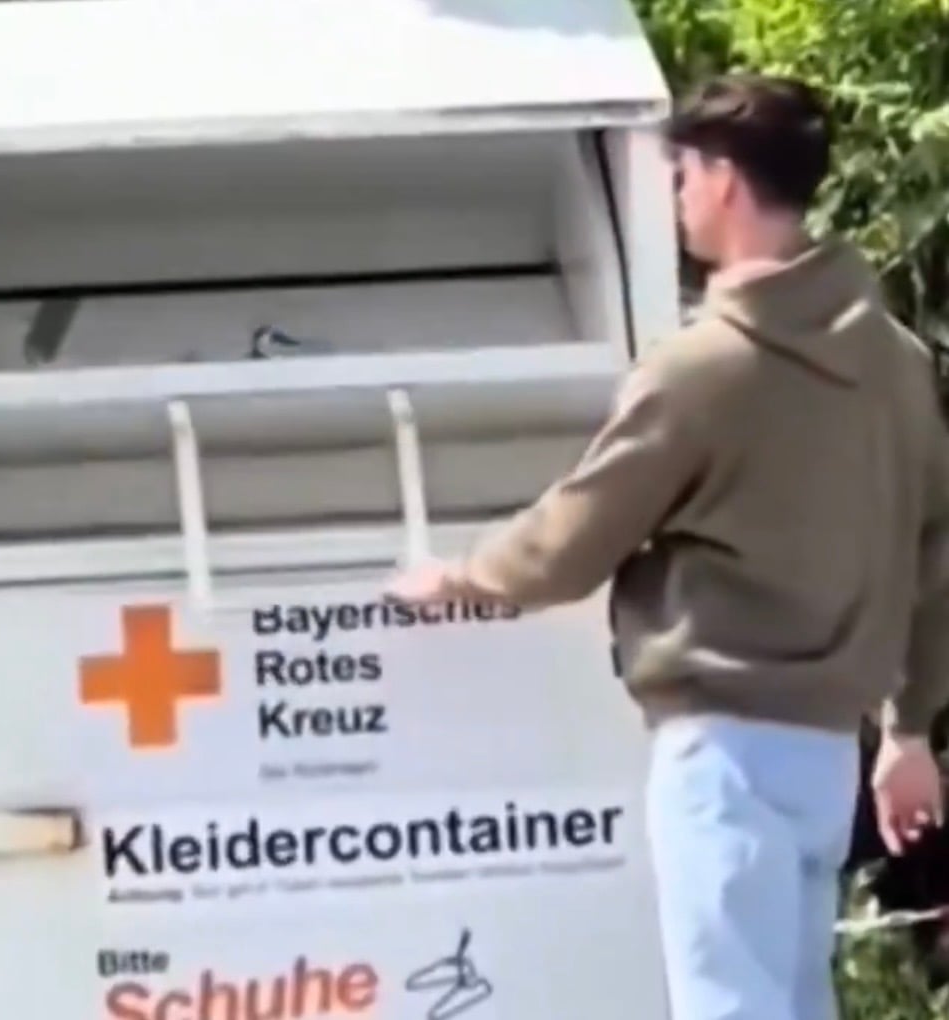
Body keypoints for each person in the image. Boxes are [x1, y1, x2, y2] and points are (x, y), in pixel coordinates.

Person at [385, 73, 949, 1020]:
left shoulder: (702, 368)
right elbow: (936, 555)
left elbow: (574, 536)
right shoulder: (896, 364)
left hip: (725, 750)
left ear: (723, 179)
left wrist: (460, 578)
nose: (678, 196)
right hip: (828, 755)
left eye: (682, 174)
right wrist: (910, 728)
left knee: (727, 1006)